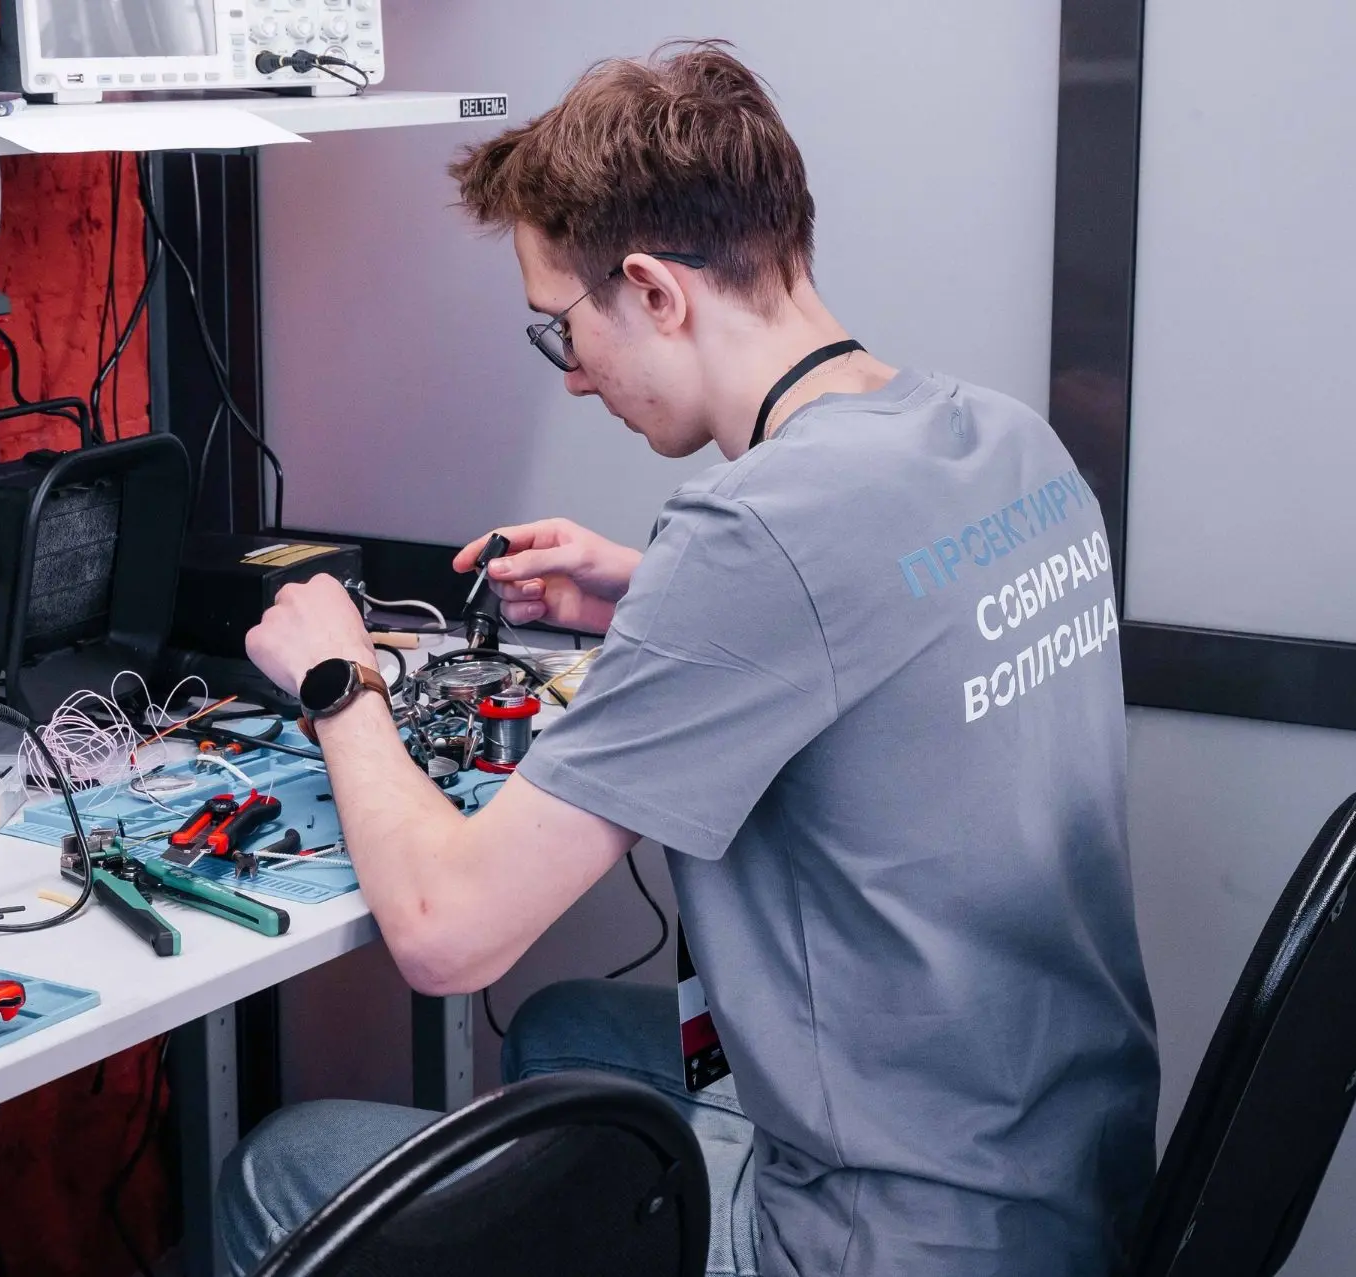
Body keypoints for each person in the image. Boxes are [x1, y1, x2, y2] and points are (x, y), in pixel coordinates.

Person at [226, 40, 1159, 1277]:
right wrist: (644, 592)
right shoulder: (1003, 438)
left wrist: (340, 678)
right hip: (1068, 1179)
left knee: (284, 1166)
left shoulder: (754, 536)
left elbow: (449, 934)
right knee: (567, 1030)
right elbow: (887, 641)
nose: (574, 380)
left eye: (562, 330)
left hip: (888, 1238)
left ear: (656, 292)